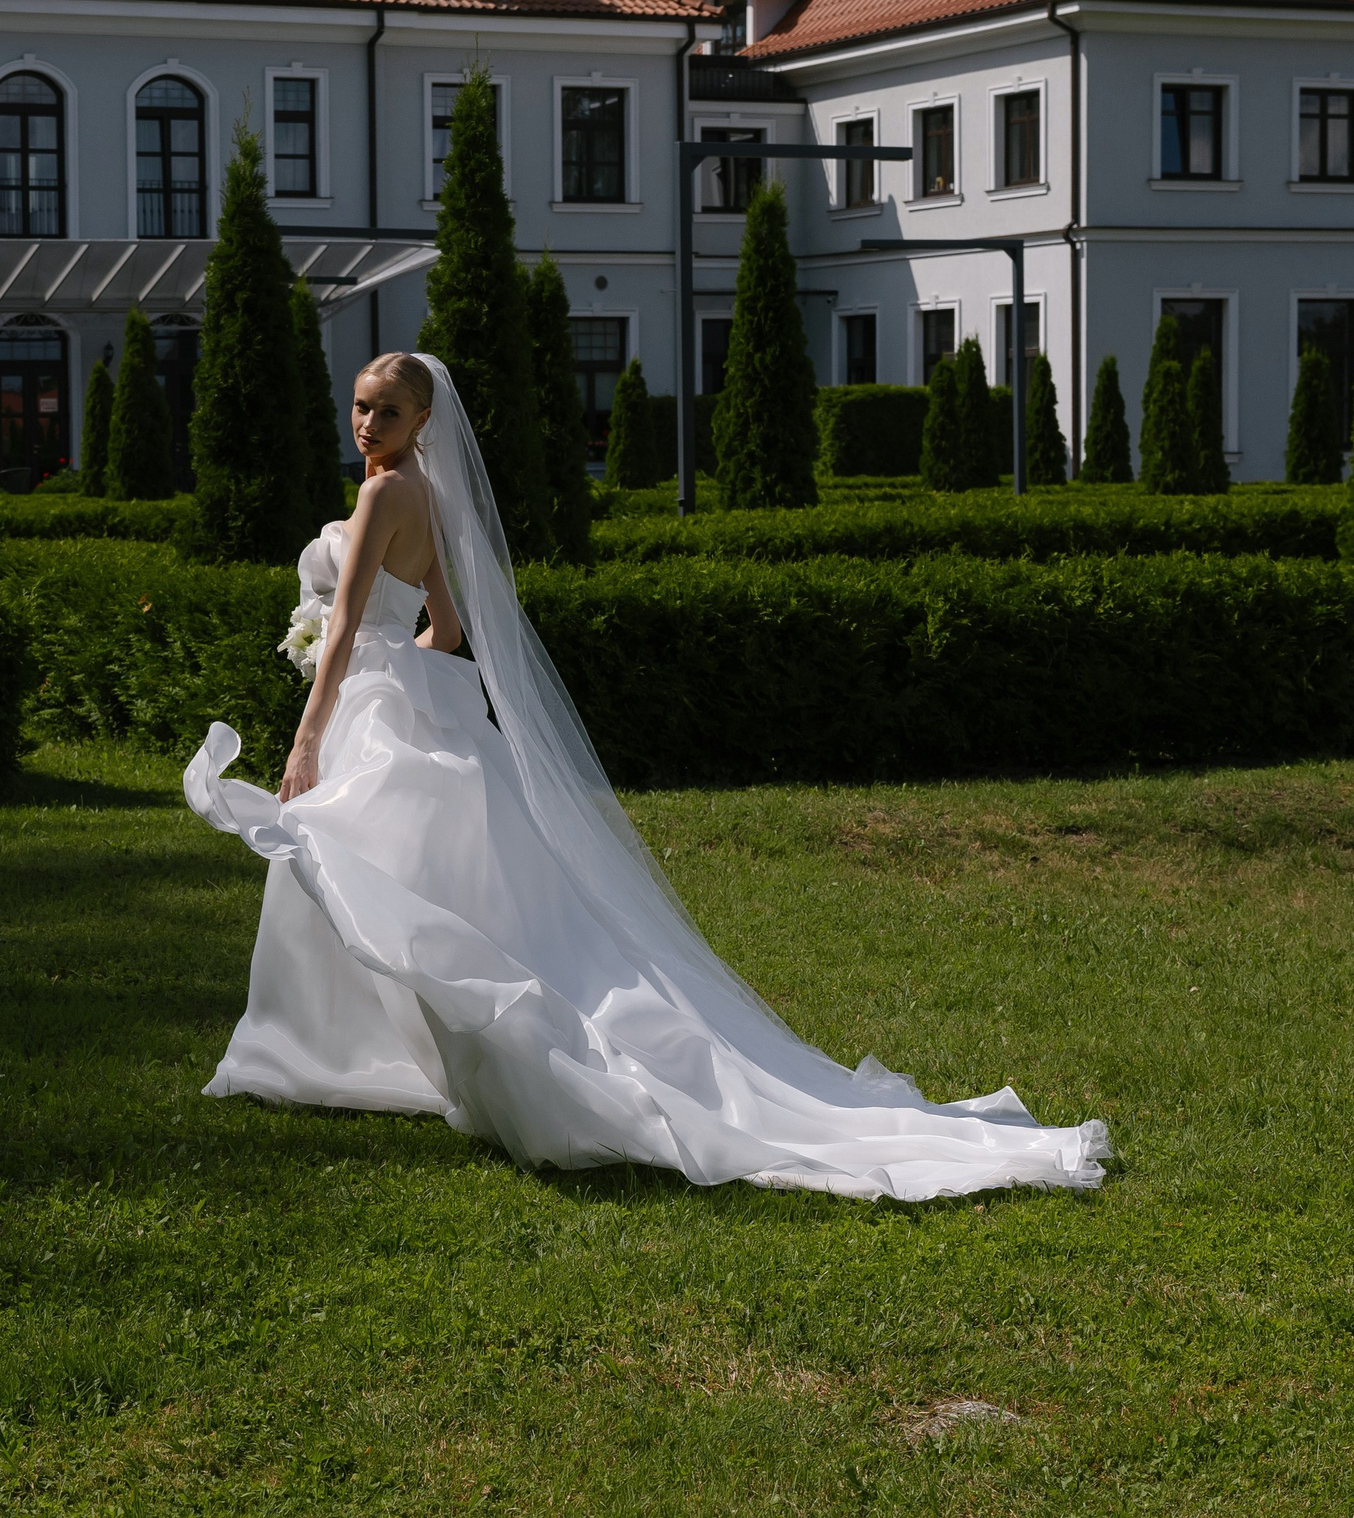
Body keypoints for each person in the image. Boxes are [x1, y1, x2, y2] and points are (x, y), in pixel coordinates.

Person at [186, 352, 1110, 1202]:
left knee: (344, 860)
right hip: (399, 701)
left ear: (422, 416)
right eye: (358, 406)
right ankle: (326, 1052)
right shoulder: (427, 494)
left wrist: (312, 732)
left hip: (372, 708)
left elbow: (347, 627)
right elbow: (451, 630)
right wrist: (406, 665)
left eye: (385, 409)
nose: (365, 422)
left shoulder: (387, 494)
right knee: (394, 879)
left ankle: (306, 1051)